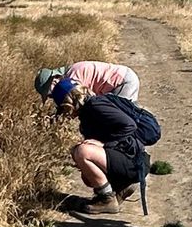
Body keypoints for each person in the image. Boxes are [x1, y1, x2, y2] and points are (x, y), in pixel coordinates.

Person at [50, 76, 149, 217]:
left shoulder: (96, 106)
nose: (65, 114)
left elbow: (130, 125)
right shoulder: (87, 113)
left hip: (134, 161)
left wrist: (103, 144)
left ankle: (108, 199)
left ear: (68, 104)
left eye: (63, 109)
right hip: (128, 159)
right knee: (85, 171)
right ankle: (121, 186)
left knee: (82, 152)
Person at [35, 60, 140, 103]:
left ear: (54, 80)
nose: (52, 97)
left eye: (50, 94)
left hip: (121, 82)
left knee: (122, 117)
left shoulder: (74, 76)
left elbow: (82, 101)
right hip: (123, 79)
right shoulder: (71, 73)